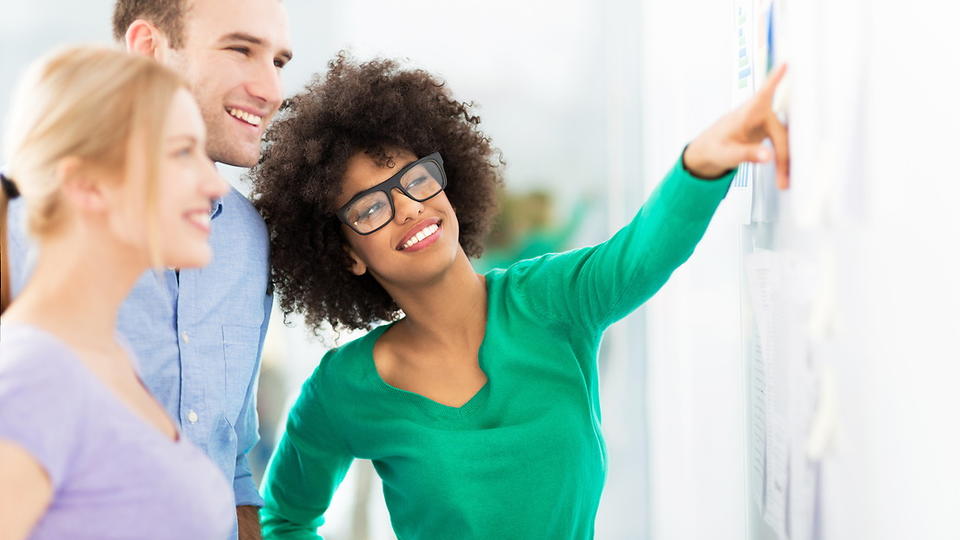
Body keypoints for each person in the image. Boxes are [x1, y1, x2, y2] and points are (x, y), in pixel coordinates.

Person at [250, 54, 789, 539]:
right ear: (346, 254)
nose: (409, 208)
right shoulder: (344, 387)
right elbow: (287, 518)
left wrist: (703, 161)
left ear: (448, 183)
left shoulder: (551, 301)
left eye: (415, 180)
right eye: (370, 209)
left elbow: (640, 255)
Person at [3, 2, 293, 537]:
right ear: (149, 47)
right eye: (240, 48)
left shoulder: (248, 243)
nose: (273, 90)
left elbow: (231, 466)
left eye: (279, 61)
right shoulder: (32, 351)